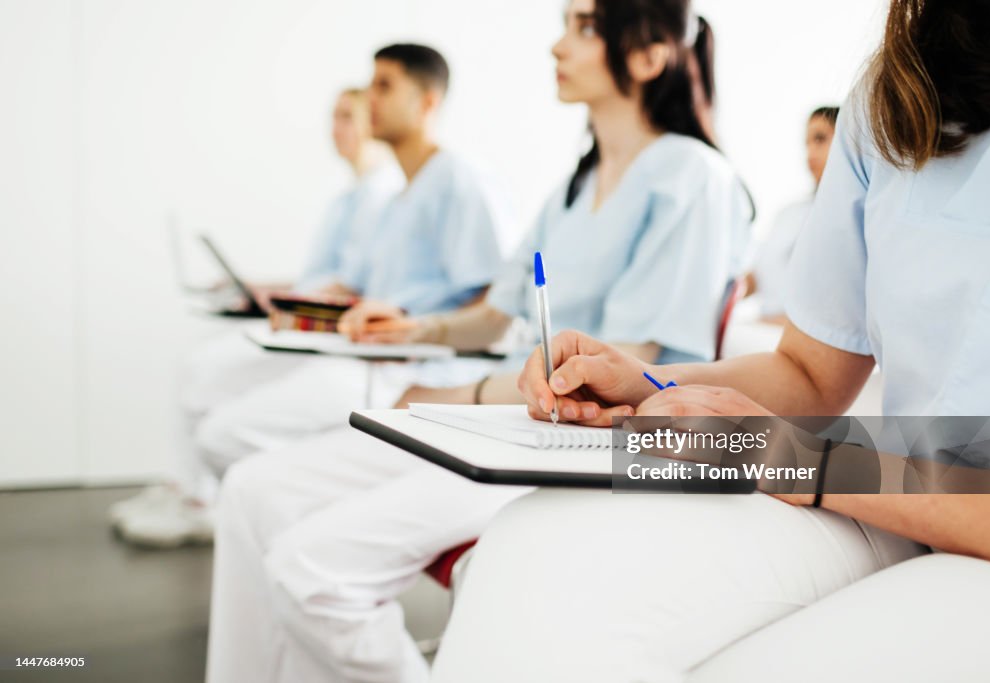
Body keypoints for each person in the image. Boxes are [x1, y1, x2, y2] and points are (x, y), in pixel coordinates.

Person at [430, 1, 990, 681]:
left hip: (962, 519)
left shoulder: (688, 176)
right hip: (898, 493)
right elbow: (810, 373)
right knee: (535, 555)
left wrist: (799, 461)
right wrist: (649, 383)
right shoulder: (902, 85)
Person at [206, 2, 753, 681]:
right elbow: (496, 312)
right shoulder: (575, 185)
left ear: (648, 56)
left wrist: (458, 393)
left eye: (584, 28)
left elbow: (621, 363)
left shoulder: (693, 179)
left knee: (311, 569)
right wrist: (416, 328)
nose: (557, 46)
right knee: (252, 489)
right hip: (513, 419)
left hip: (595, 443)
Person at [116, 43, 511, 547]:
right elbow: (359, 288)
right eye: (369, 84)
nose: (370, 98)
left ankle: (248, 512)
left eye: (385, 86)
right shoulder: (400, 198)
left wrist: (415, 330)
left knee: (225, 436)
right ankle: (236, 508)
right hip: (361, 350)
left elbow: (494, 305)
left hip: (408, 367)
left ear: (427, 102)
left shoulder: (460, 181)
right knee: (206, 386)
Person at [108, 86, 403, 546]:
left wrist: (291, 299)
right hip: (307, 317)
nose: (335, 128)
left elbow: (358, 285)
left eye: (348, 116)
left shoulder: (384, 194)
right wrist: (264, 287)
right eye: (333, 116)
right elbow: (326, 276)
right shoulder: (350, 197)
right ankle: (188, 489)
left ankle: (200, 499)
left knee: (205, 375)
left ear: (374, 120)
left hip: (334, 333)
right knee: (196, 369)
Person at [742, 106, 838, 324]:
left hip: (801, 335)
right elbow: (757, 276)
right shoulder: (789, 213)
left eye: (820, 139)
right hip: (764, 329)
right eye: (807, 143)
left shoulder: (857, 218)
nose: (810, 152)